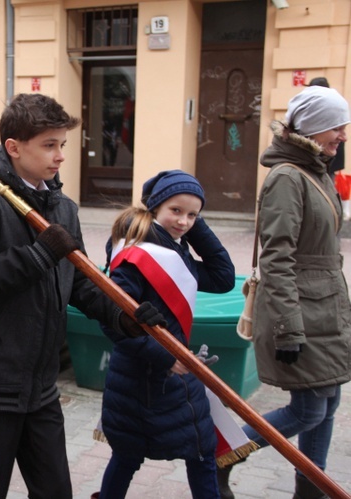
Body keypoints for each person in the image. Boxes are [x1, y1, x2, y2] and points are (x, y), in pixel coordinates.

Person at [0, 93, 164, 499]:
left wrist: (121, 315)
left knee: (55, 492)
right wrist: (39, 254)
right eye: (49, 145)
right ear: (13, 147)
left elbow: (80, 282)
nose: (60, 155)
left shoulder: (61, 208)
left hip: (40, 387)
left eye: (62, 144)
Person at [218, 85, 351, 499]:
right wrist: (290, 330)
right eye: (337, 128)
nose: (343, 136)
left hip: (325, 310)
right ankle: (222, 452)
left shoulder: (315, 172)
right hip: (302, 314)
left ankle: (311, 489)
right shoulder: (287, 179)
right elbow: (278, 259)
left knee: (327, 407)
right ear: (313, 128)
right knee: (309, 409)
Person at [93, 170, 235, 498]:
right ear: (155, 207)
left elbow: (223, 276)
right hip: (143, 378)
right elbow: (109, 319)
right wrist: (164, 356)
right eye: (176, 210)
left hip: (172, 375)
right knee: (132, 454)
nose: (184, 221)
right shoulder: (136, 256)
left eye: (193, 215)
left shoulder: (174, 249)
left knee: (200, 450)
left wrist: (193, 225)